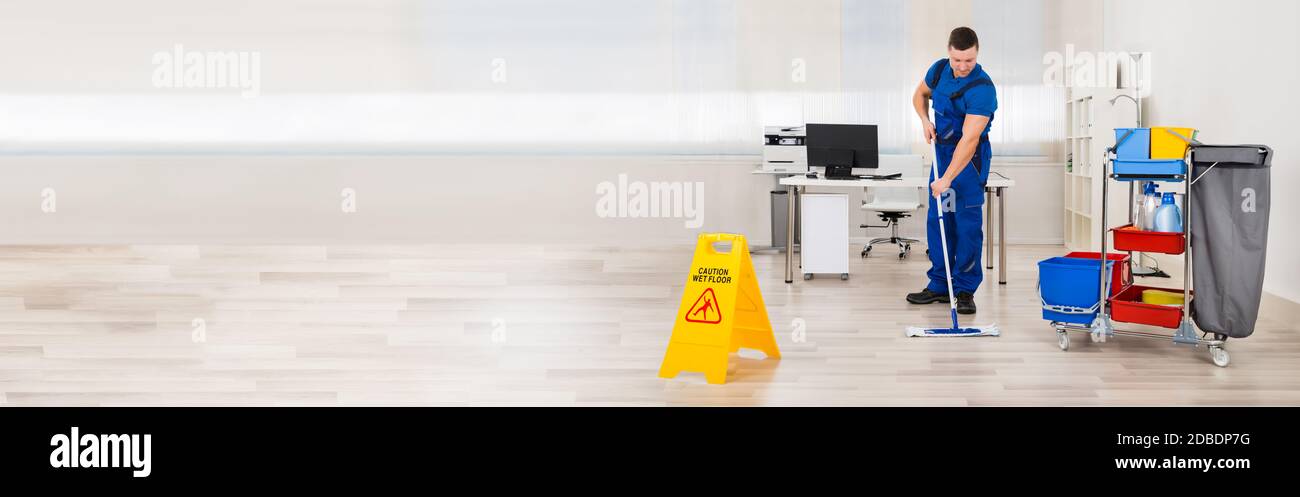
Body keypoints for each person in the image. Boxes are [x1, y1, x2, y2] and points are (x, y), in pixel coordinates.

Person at [905, 26, 997, 315]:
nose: (962, 66)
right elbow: (919, 95)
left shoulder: (982, 89)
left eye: (968, 60)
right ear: (949, 52)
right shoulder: (939, 70)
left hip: (968, 162)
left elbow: (969, 141)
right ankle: (940, 285)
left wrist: (946, 178)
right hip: (942, 154)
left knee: (967, 224)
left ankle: (965, 289)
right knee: (940, 219)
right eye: (958, 60)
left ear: (977, 54)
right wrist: (924, 121)